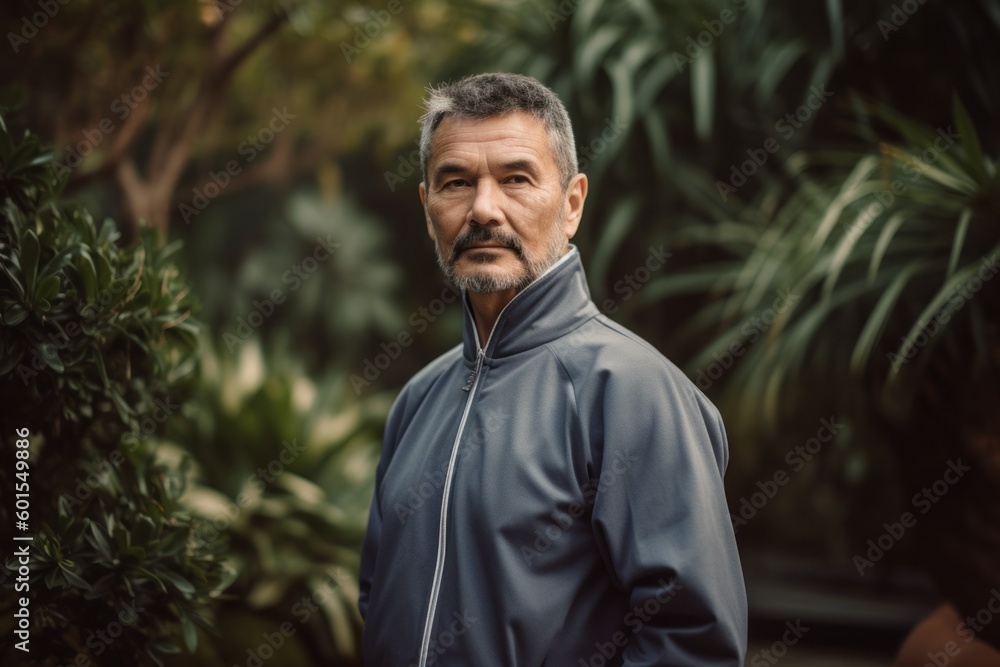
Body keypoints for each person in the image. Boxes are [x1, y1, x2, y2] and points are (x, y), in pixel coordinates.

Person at [358, 72, 747, 666]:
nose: (483, 209)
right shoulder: (417, 399)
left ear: (571, 205)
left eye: (516, 178)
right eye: (456, 182)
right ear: (427, 205)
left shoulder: (632, 391)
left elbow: (692, 643)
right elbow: (377, 602)